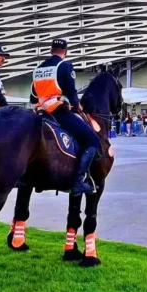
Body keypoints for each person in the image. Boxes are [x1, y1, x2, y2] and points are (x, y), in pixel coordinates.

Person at [30, 38, 99, 195]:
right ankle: (78, 181)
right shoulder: (65, 66)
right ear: (65, 52)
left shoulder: (38, 69)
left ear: (50, 50)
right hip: (58, 112)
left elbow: (33, 97)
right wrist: (77, 105)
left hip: (40, 112)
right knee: (91, 139)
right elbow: (71, 92)